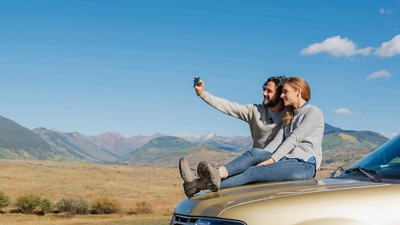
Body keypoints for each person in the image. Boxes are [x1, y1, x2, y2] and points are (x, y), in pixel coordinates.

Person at [180, 76, 324, 196]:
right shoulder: (288, 114)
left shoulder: (313, 112)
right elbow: (277, 141)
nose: (282, 95)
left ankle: (201, 183)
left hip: (304, 164)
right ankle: (215, 174)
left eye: (284, 92)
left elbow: (294, 139)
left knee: (254, 171)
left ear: (298, 92)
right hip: (286, 160)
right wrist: (265, 157)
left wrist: (271, 160)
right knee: (255, 153)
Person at [194, 76, 287, 149]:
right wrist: (202, 94)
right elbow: (228, 106)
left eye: (269, 91)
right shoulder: (254, 111)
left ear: (281, 95)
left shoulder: (292, 114)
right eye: (265, 90)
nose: (264, 93)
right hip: (257, 159)